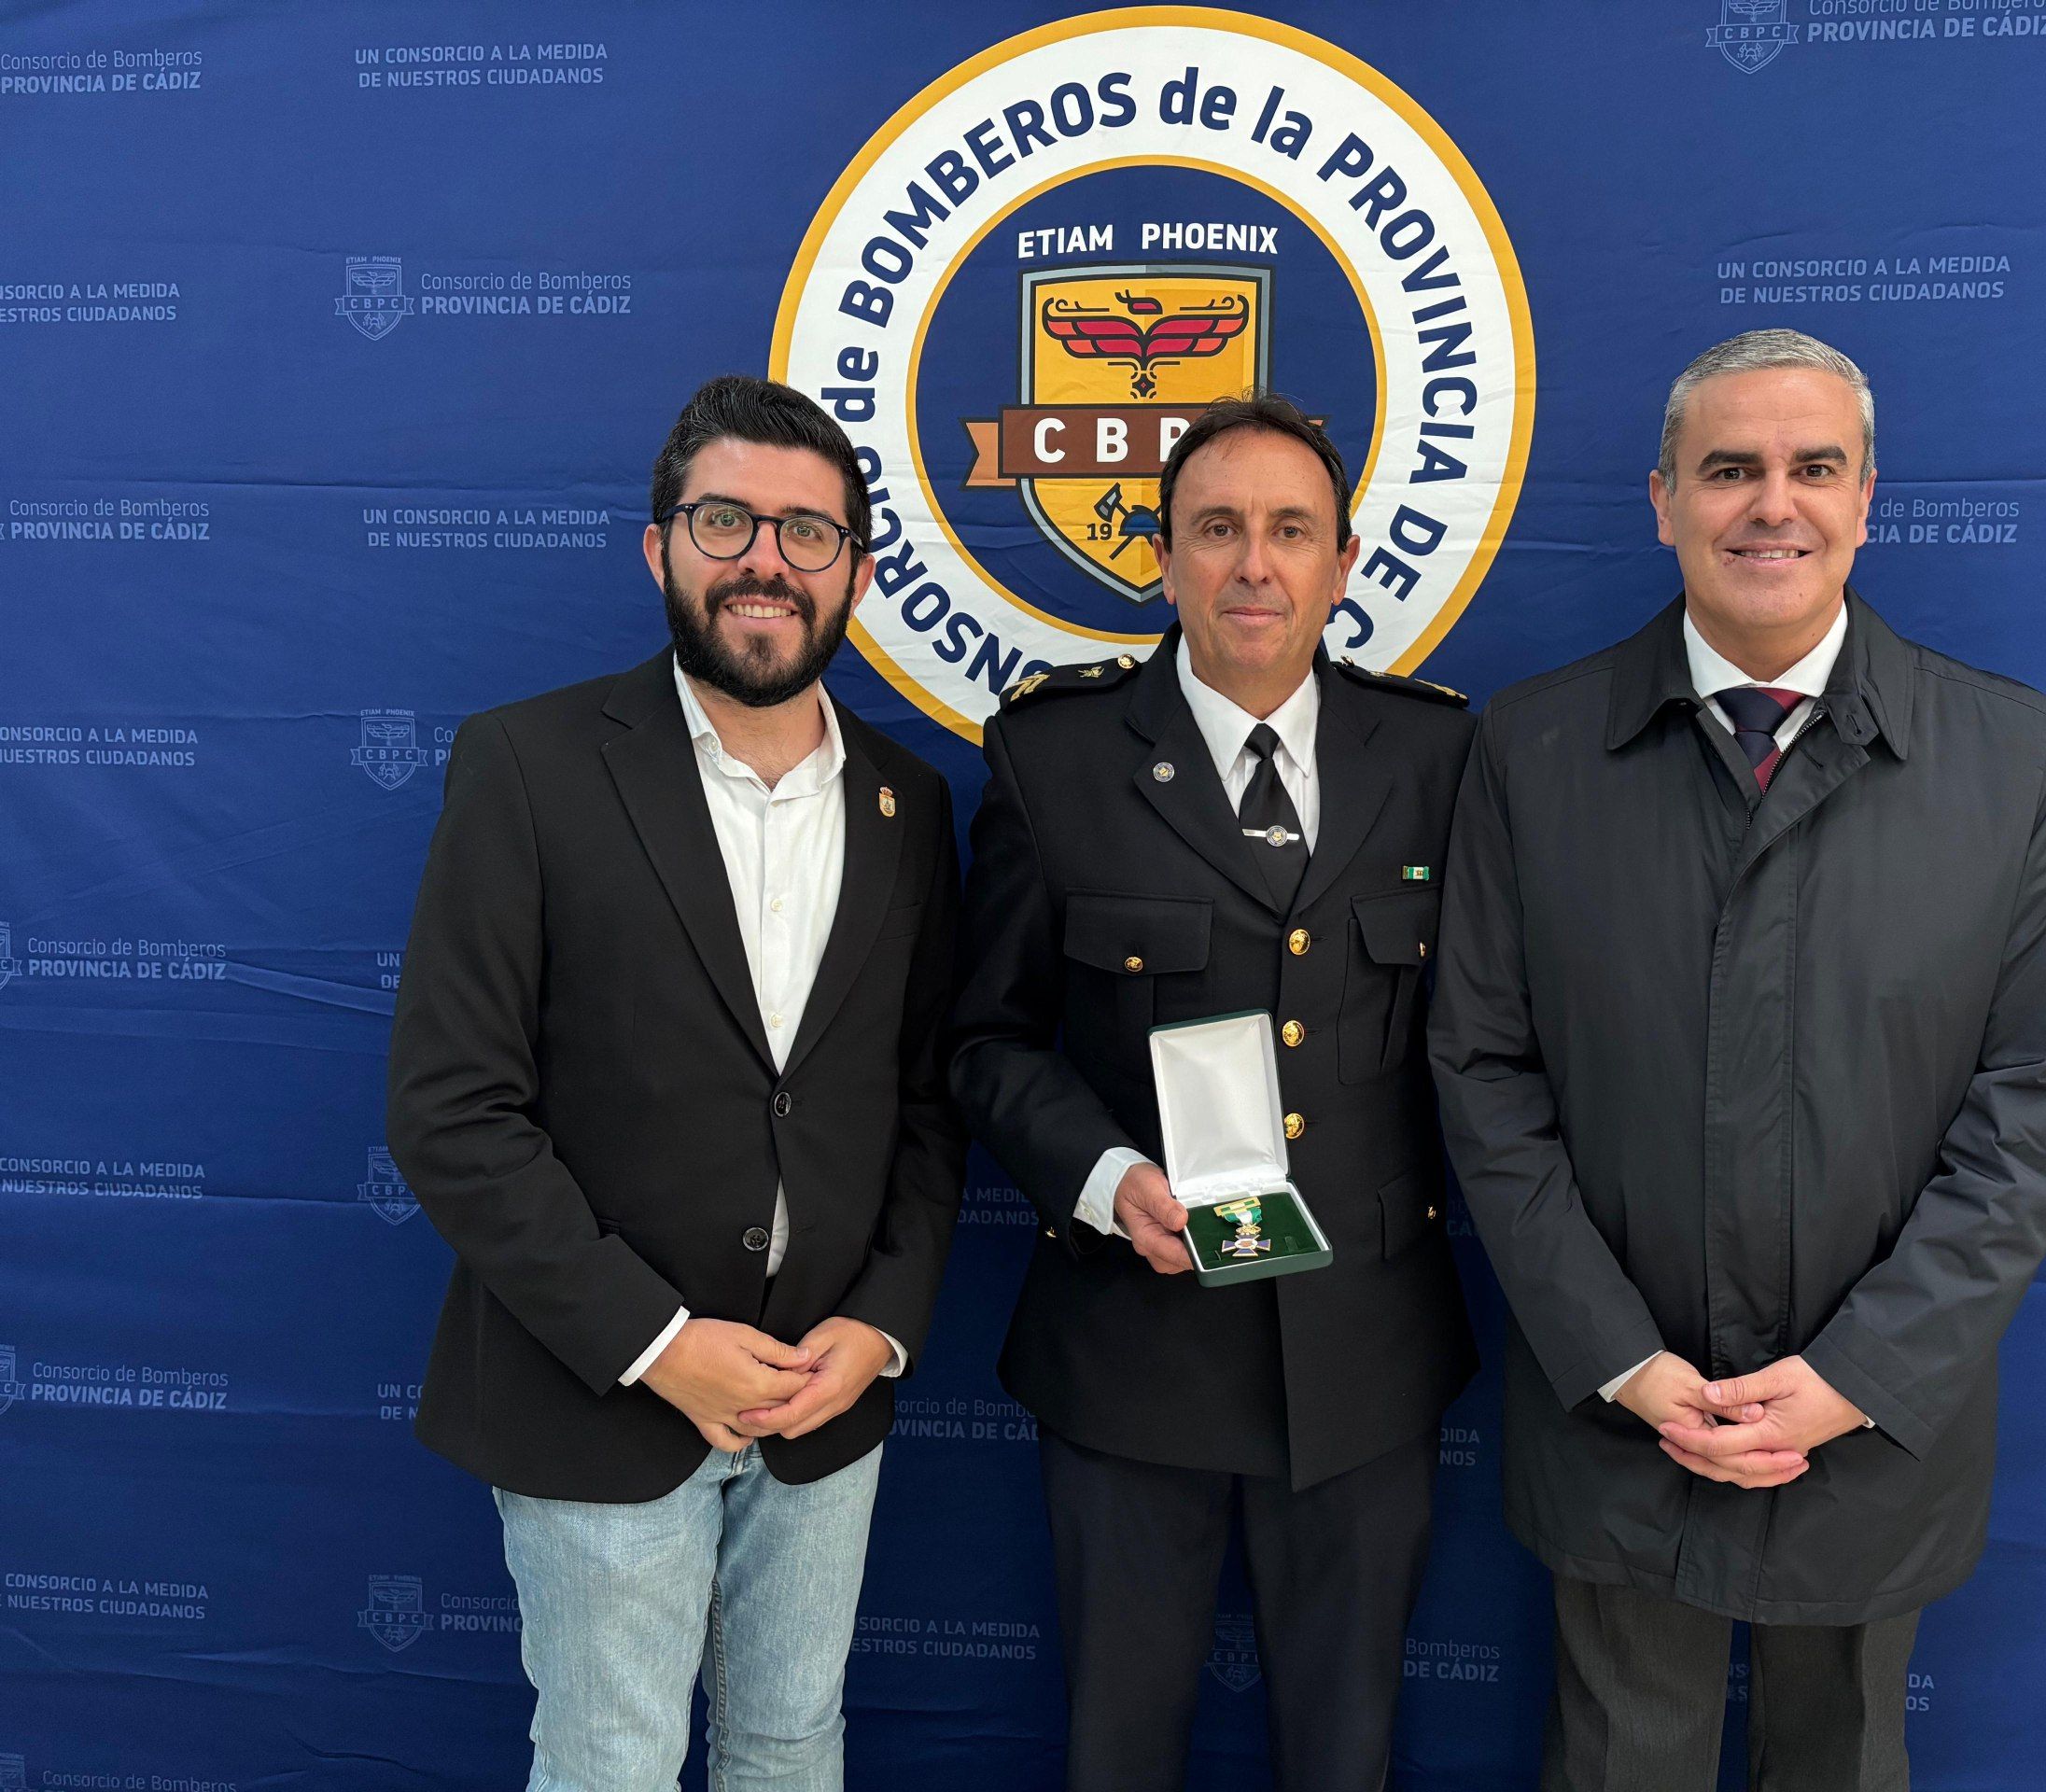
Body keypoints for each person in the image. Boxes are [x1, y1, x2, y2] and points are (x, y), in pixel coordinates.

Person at [1428, 329, 2046, 1791]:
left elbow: (2037, 1100)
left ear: (1867, 501)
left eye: (1815, 468)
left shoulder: (2007, 756)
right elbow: (1483, 1076)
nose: (1772, 504)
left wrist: (1861, 1373)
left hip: (1873, 1426)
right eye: (1730, 469)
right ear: (1663, 499)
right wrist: (1625, 1362)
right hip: (1620, 1415)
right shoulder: (1533, 751)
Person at [386, 374, 967, 1790]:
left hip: (825, 1403)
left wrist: (879, 1329)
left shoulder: (911, 806)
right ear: (660, 547)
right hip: (600, 1394)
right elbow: (452, 1110)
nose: (767, 560)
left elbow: (927, 1102)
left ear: (858, 573)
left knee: (792, 1751)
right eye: (726, 522)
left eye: (807, 532)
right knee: (613, 1764)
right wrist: (658, 1343)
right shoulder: (527, 767)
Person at [948, 393, 1478, 1792]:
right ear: (1163, 559)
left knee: (1346, 1756)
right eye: (1218, 529)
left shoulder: (1437, 759)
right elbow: (987, 1040)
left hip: (1366, 1351)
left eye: (1292, 531)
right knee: (1118, 1754)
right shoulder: (1053, 759)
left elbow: (1486, 1038)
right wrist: (1102, 1176)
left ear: (1344, 563)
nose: (1255, 564)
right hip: (1133, 1348)